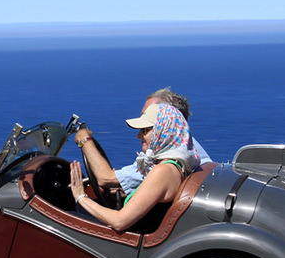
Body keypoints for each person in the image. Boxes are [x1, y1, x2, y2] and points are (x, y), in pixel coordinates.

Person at [68, 102, 195, 233]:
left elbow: (119, 222)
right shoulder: (177, 166)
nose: (138, 135)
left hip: (129, 239)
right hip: (134, 232)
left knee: (64, 213)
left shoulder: (163, 171)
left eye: (145, 130)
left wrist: (80, 196)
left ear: (164, 131)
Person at [73, 88, 209, 201]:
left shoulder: (166, 161)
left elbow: (105, 178)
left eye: (148, 117)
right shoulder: (188, 149)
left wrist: (84, 139)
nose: (140, 131)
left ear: (166, 120)